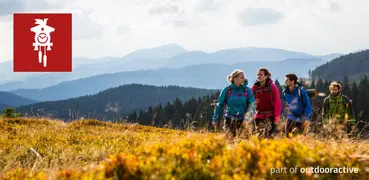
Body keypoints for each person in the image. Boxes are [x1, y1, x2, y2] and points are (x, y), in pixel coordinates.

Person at [212, 69, 256, 137]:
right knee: (230, 142)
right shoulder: (227, 90)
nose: (244, 79)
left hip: (244, 121)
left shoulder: (247, 90)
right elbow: (219, 105)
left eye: (244, 77)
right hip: (229, 120)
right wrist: (215, 119)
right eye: (242, 77)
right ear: (235, 78)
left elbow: (252, 105)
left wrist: (246, 119)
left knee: (243, 144)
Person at [251, 68, 282, 137]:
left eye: (261, 74)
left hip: (270, 116)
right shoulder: (255, 87)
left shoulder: (272, 87)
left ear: (266, 76)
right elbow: (250, 99)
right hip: (259, 115)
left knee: (269, 137)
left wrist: (277, 116)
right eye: (258, 74)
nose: (258, 76)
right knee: (260, 136)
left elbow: (277, 101)